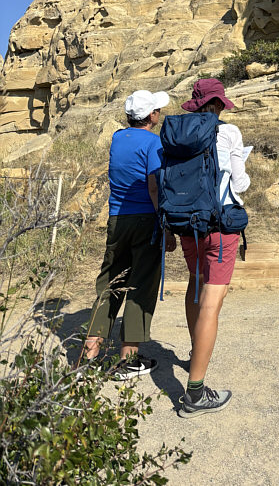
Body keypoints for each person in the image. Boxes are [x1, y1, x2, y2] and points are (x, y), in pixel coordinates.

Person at [83, 89, 174, 379]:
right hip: (146, 219)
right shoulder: (154, 143)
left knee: (110, 284)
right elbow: (153, 186)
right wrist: (165, 225)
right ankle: (128, 360)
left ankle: (88, 358)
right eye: (157, 110)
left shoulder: (117, 138)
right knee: (140, 286)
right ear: (152, 116)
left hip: (117, 218)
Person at [174, 78, 250, 419]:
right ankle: (195, 393)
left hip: (188, 225)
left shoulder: (177, 135)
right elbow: (240, 183)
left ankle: (197, 353)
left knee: (195, 285)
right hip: (220, 226)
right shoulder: (229, 133)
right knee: (211, 302)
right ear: (218, 104)